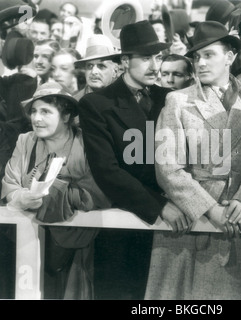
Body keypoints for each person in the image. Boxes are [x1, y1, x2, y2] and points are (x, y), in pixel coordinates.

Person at [145, 21, 241, 300]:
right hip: (187, 219)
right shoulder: (177, 100)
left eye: (208, 55)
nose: (200, 63)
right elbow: (167, 169)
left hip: (233, 221)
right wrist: (210, 210)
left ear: (231, 57)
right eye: (196, 57)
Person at [77, 20, 171, 300]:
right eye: (146, 58)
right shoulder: (96, 104)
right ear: (125, 61)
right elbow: (107, 171)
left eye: (158, 57)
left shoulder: (169, 99)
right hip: (123, 220)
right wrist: (160, 206)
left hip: (169, 230)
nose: (155, 65)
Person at [0, 82, 111, 299]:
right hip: (29, 240)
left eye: (45, 112)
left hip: (77, 243)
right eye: (33, 111)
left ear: (66, 116)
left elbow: (98, 193)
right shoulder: (26, 141)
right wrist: (23, 197)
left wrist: (57, 193)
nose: (36, 118)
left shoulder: (87, 143)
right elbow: (10, 183)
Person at [73, 34, 119, 101]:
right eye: (90, 66)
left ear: (115, 71)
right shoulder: (75, 102)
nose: (94, 71)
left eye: (101, 66)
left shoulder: (126, 100)